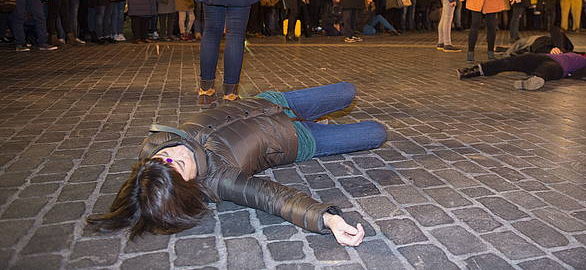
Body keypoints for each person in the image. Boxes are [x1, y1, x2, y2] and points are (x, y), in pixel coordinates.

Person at [86, 82, 386, 246]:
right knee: (376, 133)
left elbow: (147, 185)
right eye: (178, 166)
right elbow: (273, 198)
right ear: (190, 186)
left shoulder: (154, 146)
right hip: (297, 138)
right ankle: (317, 125)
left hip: (271, 103)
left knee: (347, 91)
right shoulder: (220, 181)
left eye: (163, 160)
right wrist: (328, 219)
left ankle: (314, 114)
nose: (173, 155)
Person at [457, 51, 586, 90]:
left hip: (558, 68)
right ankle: (474, 70)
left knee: (547, 69)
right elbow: (557, 32)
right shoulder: (583, 54)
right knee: (511, 61)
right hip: (543, 56)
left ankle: (533, 81)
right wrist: (556, 46)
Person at [495, 26, 574, 57]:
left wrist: (552, 50)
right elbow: (555, 29)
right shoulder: (567, 46)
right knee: (513, 49)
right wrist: (557, 48)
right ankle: (500, 49)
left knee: (517, 50)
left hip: (536, 46)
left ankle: (500, 49)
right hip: (536, 41)